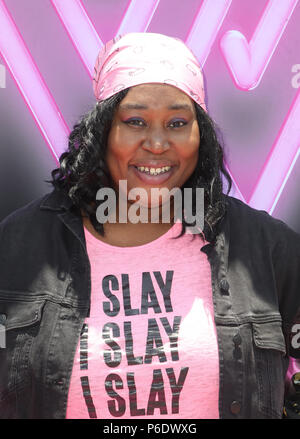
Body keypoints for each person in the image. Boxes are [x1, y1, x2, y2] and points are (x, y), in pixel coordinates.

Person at [0, 32, 299, 420]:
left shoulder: (263, 247)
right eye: (135, 121)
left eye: (177, 122)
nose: (157, 143)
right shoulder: (19, 247)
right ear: (103, 132)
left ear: (200, 137)